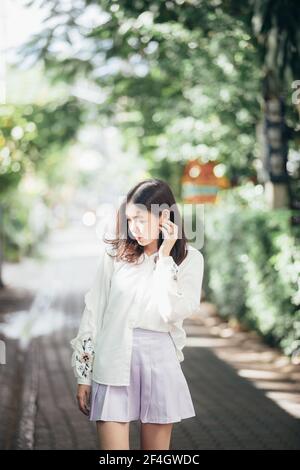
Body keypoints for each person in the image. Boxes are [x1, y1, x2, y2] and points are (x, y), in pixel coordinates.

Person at [70, 178, 204, 450]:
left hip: (159, 362)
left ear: (164, 216)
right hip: (113, 360)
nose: (135, 228)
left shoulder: (190, 259)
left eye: (141, 219)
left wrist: (165, 257)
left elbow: (171, 312)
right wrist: (83, 374)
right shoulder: (115, 255)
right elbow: (93, 313)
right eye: (130, 220)